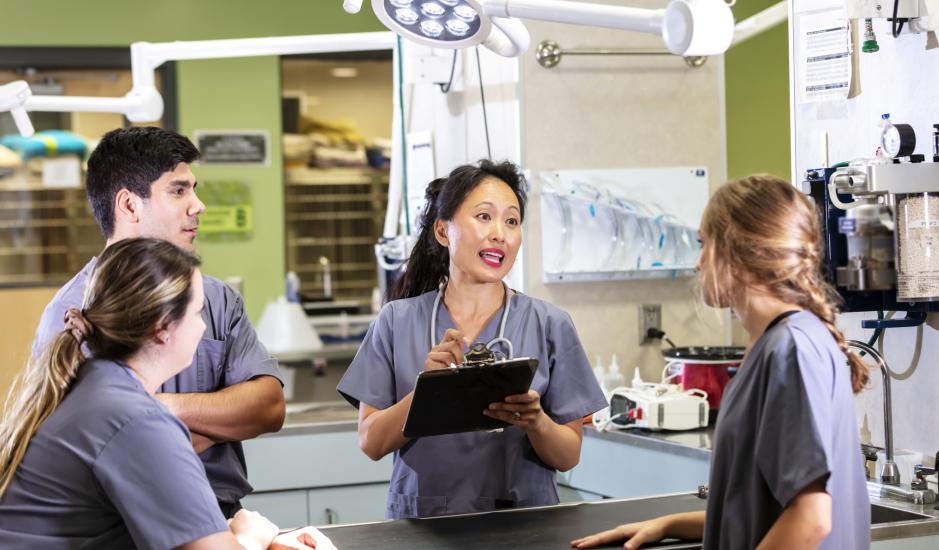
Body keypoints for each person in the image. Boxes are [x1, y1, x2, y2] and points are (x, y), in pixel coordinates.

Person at [571, 175, 871, 550]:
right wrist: (668, 524)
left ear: (738, 252)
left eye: (704, 244)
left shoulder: (790, 350)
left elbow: (810, 519)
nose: (699, 263)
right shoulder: (783, 341)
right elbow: (756, 510)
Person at [0, 238, 333, 550]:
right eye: (197, 312)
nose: (204, 326)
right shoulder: (136, 419)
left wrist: (228, 532)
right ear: (162, 329)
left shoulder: (92, 386)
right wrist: (251, 535)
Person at [30, 127, 284, 518]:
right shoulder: (71, 312)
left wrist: (161, 409)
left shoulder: (216, 300)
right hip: (116, 526)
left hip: (219, 514)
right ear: (129, 205)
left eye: (193, 189)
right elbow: (84, 448)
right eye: (178, 191)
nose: (198, 205)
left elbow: (268, 407)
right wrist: (209, 421)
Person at [336, 160, 607, 519]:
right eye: (484, 216)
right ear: (443, 231)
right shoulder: (396, 322)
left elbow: (568, 455)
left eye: (511, 221)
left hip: (523, 526)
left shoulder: (549, 324)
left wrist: (537, 421)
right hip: (424, 528)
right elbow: (371, 442)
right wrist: (427, 392)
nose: (500, 234)